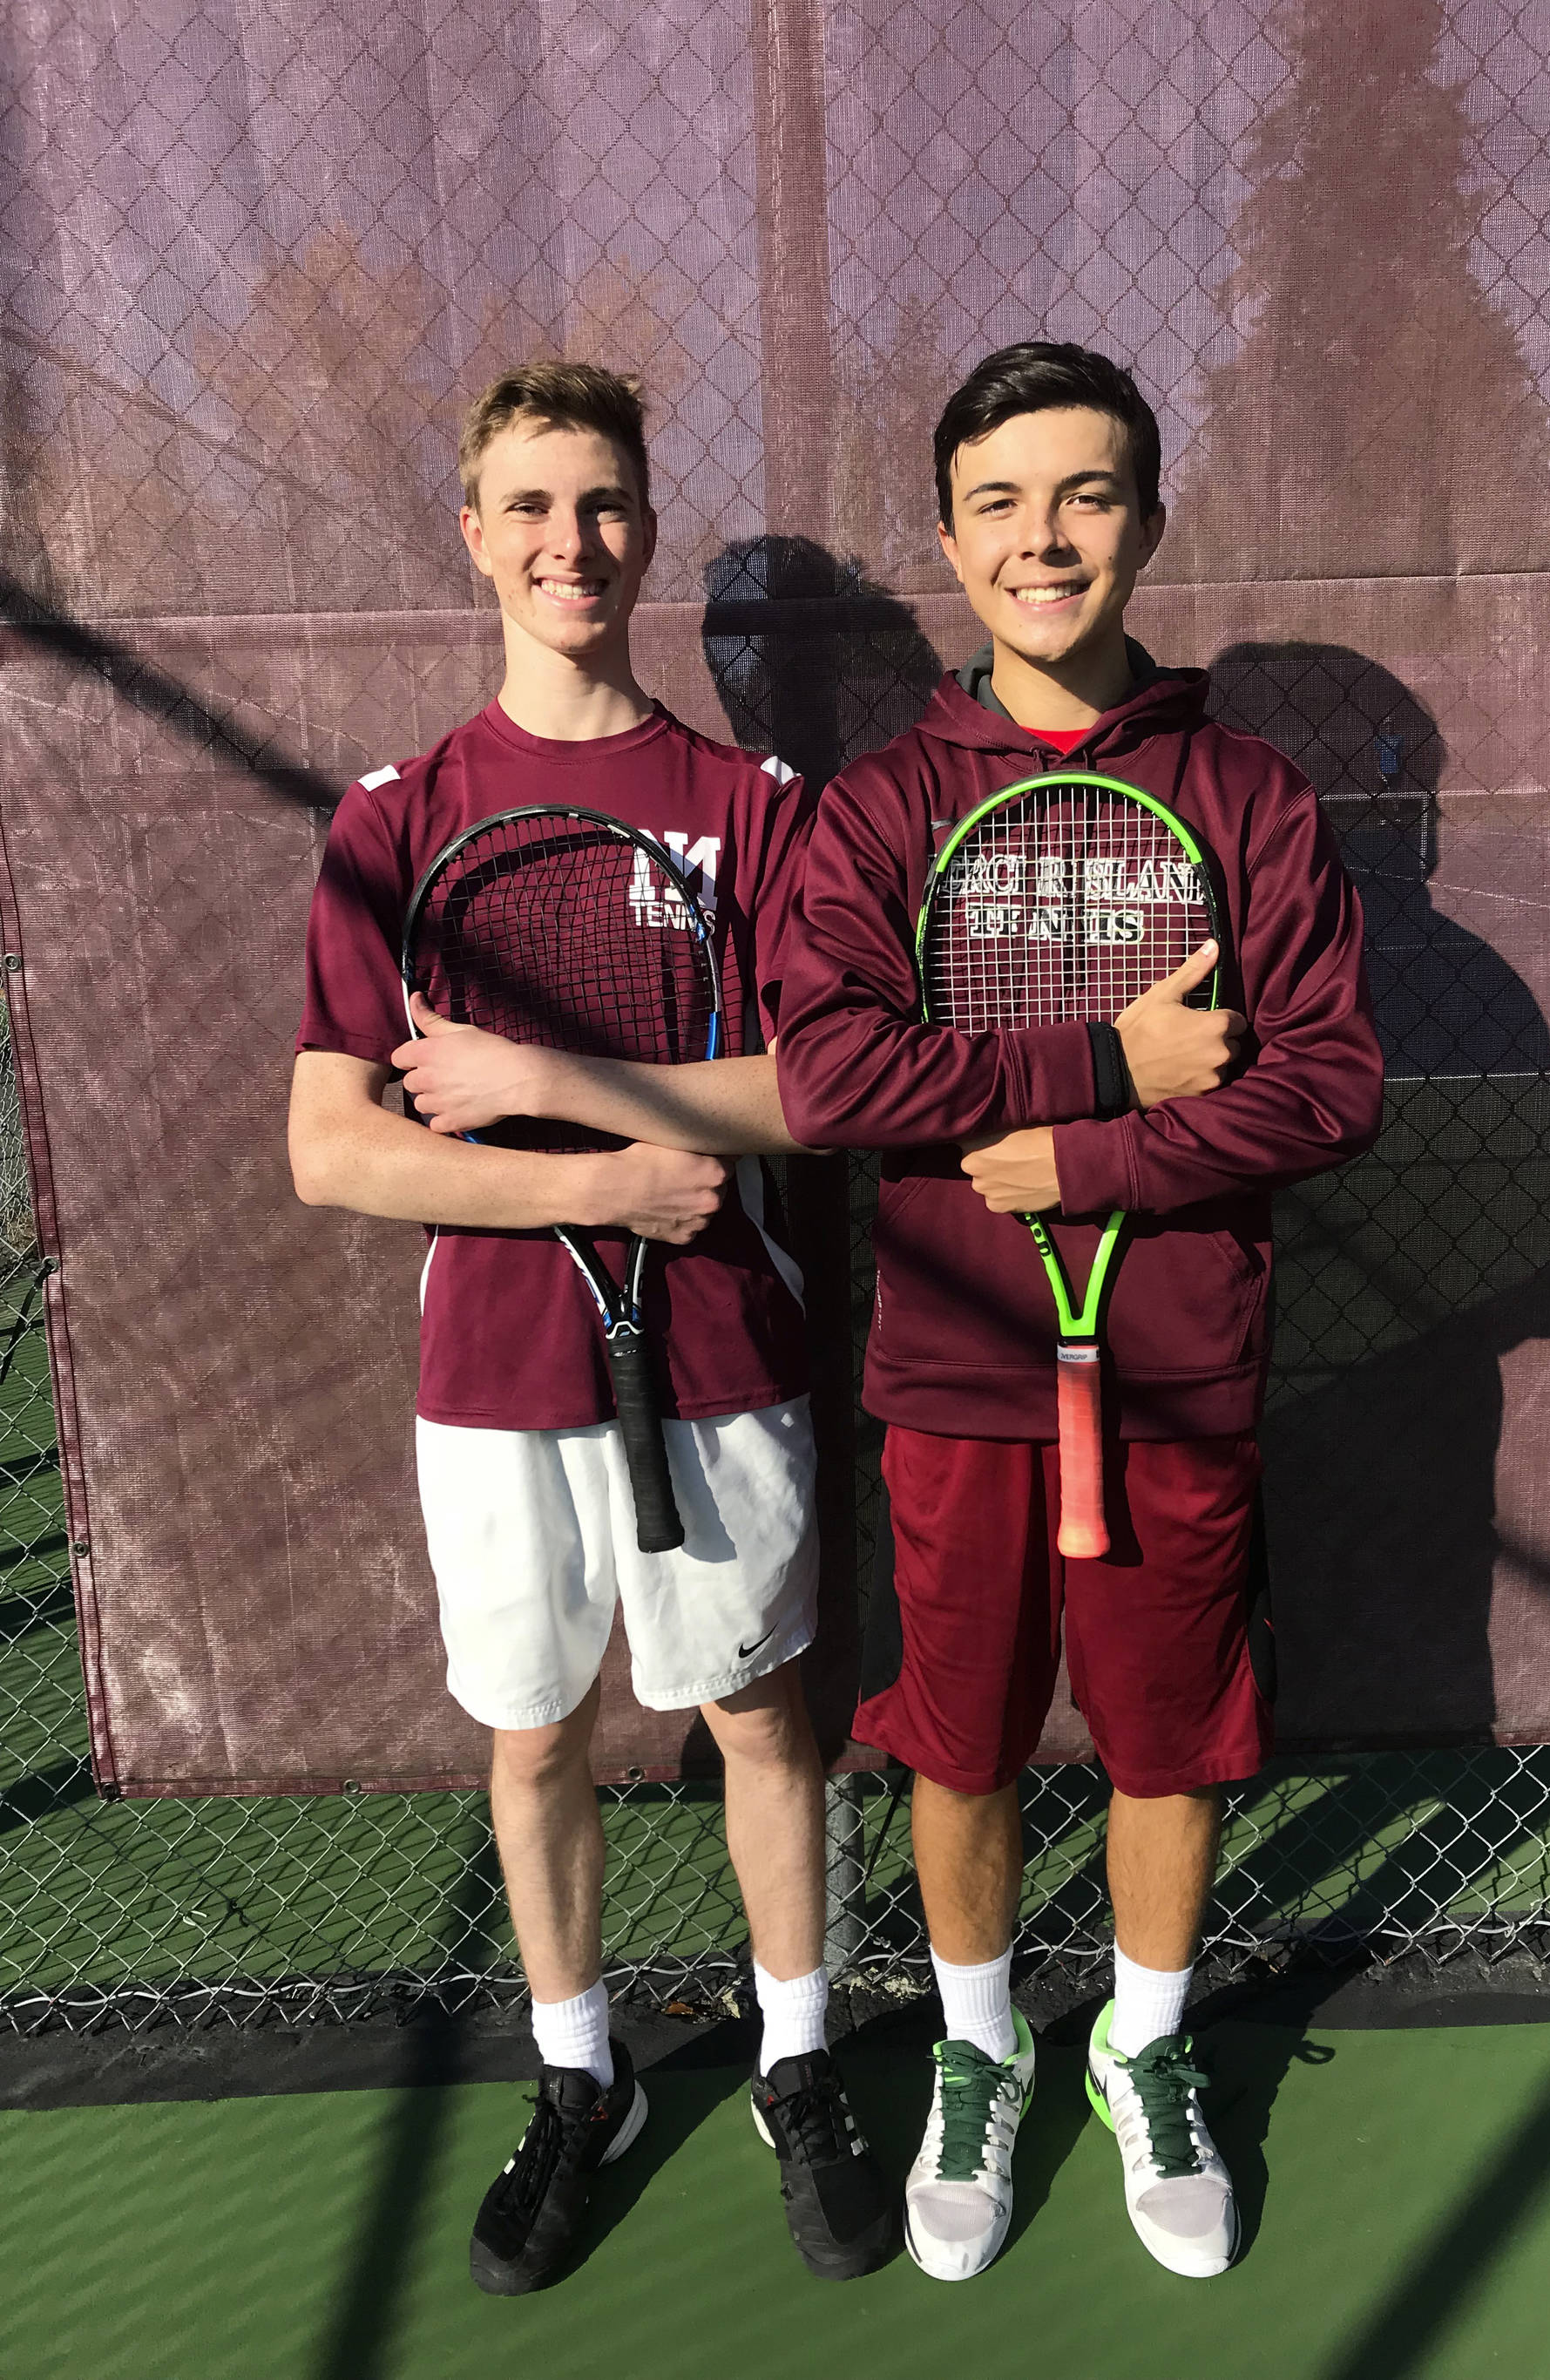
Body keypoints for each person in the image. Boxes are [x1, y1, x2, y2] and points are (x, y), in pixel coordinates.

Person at [774, 342, 1384, 2282]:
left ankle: (1140, 2043)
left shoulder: (1245, 797)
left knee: (1165, 1747)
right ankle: (979, 2052)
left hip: (1181, 1374)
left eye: (1086, 496)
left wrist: (1097, 1160)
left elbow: (1330, 1086)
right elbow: (830, 1075)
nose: (1043, 541)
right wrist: (1105, 1066)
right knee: (958, 1745)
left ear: (1148, 521)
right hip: (956, 1375)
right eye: (1000, 505)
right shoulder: (881, 810)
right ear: (950, 539)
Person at [288, 361, 896, 2294]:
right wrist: (602, 1185)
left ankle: (796, 2060)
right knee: (534, 1734)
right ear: (475, 534)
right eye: (534, 506)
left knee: (755, 1716)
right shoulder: (396, 821)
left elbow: (815, 1095)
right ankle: (583, 2079)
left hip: (717, 1350)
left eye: (607, 504)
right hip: (494, 1379)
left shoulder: (749, 811)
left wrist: (553, 1085)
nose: (574, 541)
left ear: (646, 529)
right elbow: (331, 1148)